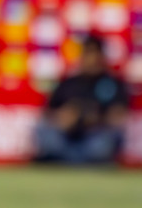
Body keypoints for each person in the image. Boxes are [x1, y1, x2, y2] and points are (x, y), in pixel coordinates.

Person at [34, 35, 129, 164]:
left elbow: (119, 116)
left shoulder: (112, 83)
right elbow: (48, 113)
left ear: (102, 56)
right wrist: (63, 117)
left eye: (95, 53)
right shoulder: (69, 83)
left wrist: (94, 118)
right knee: (44, 130)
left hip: (94, 138)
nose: (91, 58)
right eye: (88, 53)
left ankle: (68, 162)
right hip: (67, 138)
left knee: (103, 142)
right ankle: (65, 160)